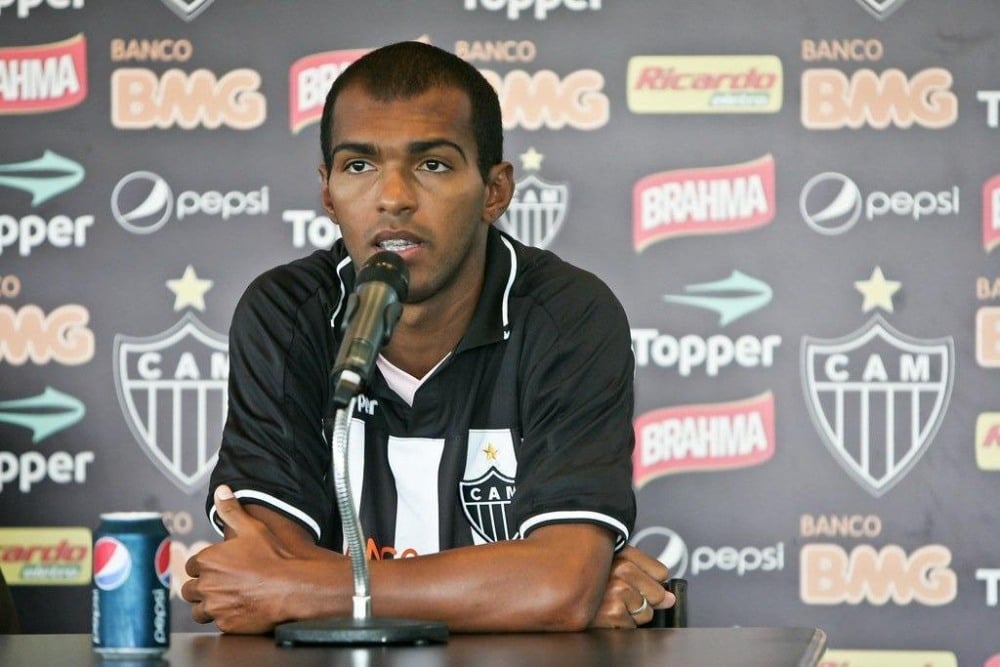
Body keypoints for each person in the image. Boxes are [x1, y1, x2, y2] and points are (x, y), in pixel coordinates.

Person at [181, 40, 673, 634]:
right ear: (328, 194)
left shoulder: (568, 316)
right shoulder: (288, 316)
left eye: (432, 164)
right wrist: (522, 589)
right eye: (359, 166)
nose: (393, 197)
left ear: (495, 191)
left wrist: (307, 588)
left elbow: (556, 587)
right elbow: (262, 575)